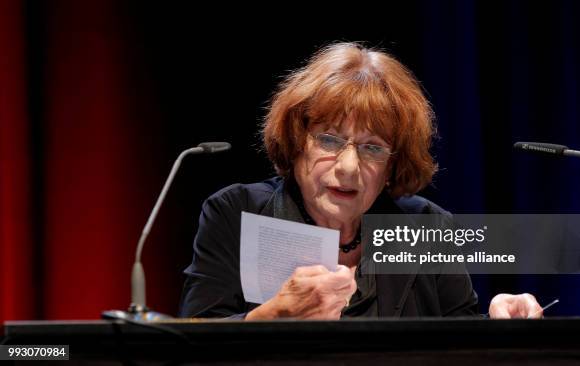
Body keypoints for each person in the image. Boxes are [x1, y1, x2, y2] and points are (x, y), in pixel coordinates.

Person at [179, 42, 542, 320]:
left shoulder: (426, 227)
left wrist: (498, 322)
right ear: (296, 142)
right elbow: (190, 345)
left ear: (391, 167)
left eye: (373, 148)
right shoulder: (235, 213)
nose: (349, 167)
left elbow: (459, 343)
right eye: (329, 140)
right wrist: (270, 317)